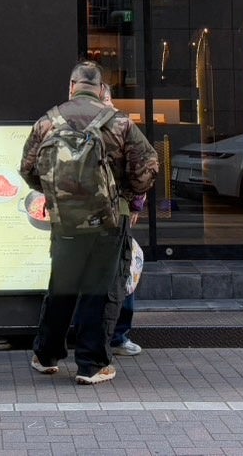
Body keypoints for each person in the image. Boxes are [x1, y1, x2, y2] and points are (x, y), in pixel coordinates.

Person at [19, 60, 157, 385]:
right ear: (101, 88)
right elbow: (148, 167)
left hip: (65, 220)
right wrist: (125, 195)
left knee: (61, 286)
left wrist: (56, 193)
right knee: (99, 290)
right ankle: (91, 365)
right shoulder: (119, 123)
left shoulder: (48, 121)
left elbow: (27, 168)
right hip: (109, 220)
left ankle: (45, 356)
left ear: (72, 86)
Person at [96, 81, 143, 358]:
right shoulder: (123, 124)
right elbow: (142, 167)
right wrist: (135, 203)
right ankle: (116, 336)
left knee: (120, 271)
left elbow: (141, 165)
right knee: (121, 272)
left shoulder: (118, 125)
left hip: (96, 212)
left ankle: (114, 335)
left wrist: (135, 203)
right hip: (118, 210)